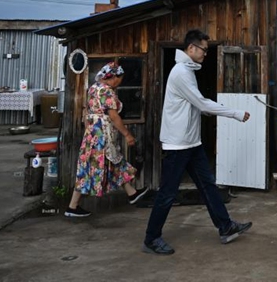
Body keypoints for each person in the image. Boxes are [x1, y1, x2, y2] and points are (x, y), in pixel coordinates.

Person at [143, 29, 252, 255]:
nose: (205, 54)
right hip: (178, 145)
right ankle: (151, 239)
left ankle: (225, 226)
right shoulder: (181, 72)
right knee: (167, 193)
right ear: (191, 48)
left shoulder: (188, 71)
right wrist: (235, 113)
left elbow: (193, 105)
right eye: (203, 49)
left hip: (192, 143)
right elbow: (202, 103)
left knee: (208, 186)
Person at [65, 62, 148, 217]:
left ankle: (132, 193)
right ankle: (72, 206)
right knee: (95, 165)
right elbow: (113, 115)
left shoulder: (93, 88)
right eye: (120, 78)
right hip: (102, 136)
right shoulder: (106, 91)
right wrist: (127, 134)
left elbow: (87, 111)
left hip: (92, 134)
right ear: (114, 77)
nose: (120, 81)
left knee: (110, 161)